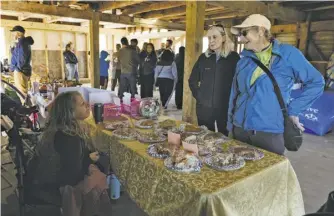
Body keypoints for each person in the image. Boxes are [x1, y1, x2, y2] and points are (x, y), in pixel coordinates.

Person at [228, 14, 324, 155]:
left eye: (244, 33)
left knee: (268, 176)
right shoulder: (243, 61)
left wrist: (294, 110)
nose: (241, 39)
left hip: (269, 133)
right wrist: (230, 126)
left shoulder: (288, 54)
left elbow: (317, 82)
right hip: (240, 130)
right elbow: (234, 94)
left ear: (260, 31)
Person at [25, 91, 112, 213]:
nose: (88, 104)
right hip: (53, 184)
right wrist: (89, 160)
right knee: (96, 178)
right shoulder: (68, 138)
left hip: (51, 177)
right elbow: (72, 176)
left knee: (98, 167)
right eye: (82, 104)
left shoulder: (65, 128)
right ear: (70, 112)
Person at [189, 24, 240, 136]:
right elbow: (192, 80)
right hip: (204, 108)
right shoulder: (204, 58)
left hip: (225, 107)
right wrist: (200, 96)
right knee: (205, 137)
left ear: (224, 38)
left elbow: (239, 84)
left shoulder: (234, 58)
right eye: (209, 38)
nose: (211, 40)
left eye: (215, 37)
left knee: (224, 139)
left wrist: (233, 102)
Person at [9, 25, 34, 103]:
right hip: (21, 70)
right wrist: (13, 51)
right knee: (22, 93)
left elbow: (21, 60)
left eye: (14, 33)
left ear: (18, 33)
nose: (13, 35)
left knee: (22, 94)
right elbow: (20, 56)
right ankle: (28, 111)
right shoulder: (22, 43)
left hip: (20, 71)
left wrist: (16, 68)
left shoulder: (22, 43)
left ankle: (28, 112)